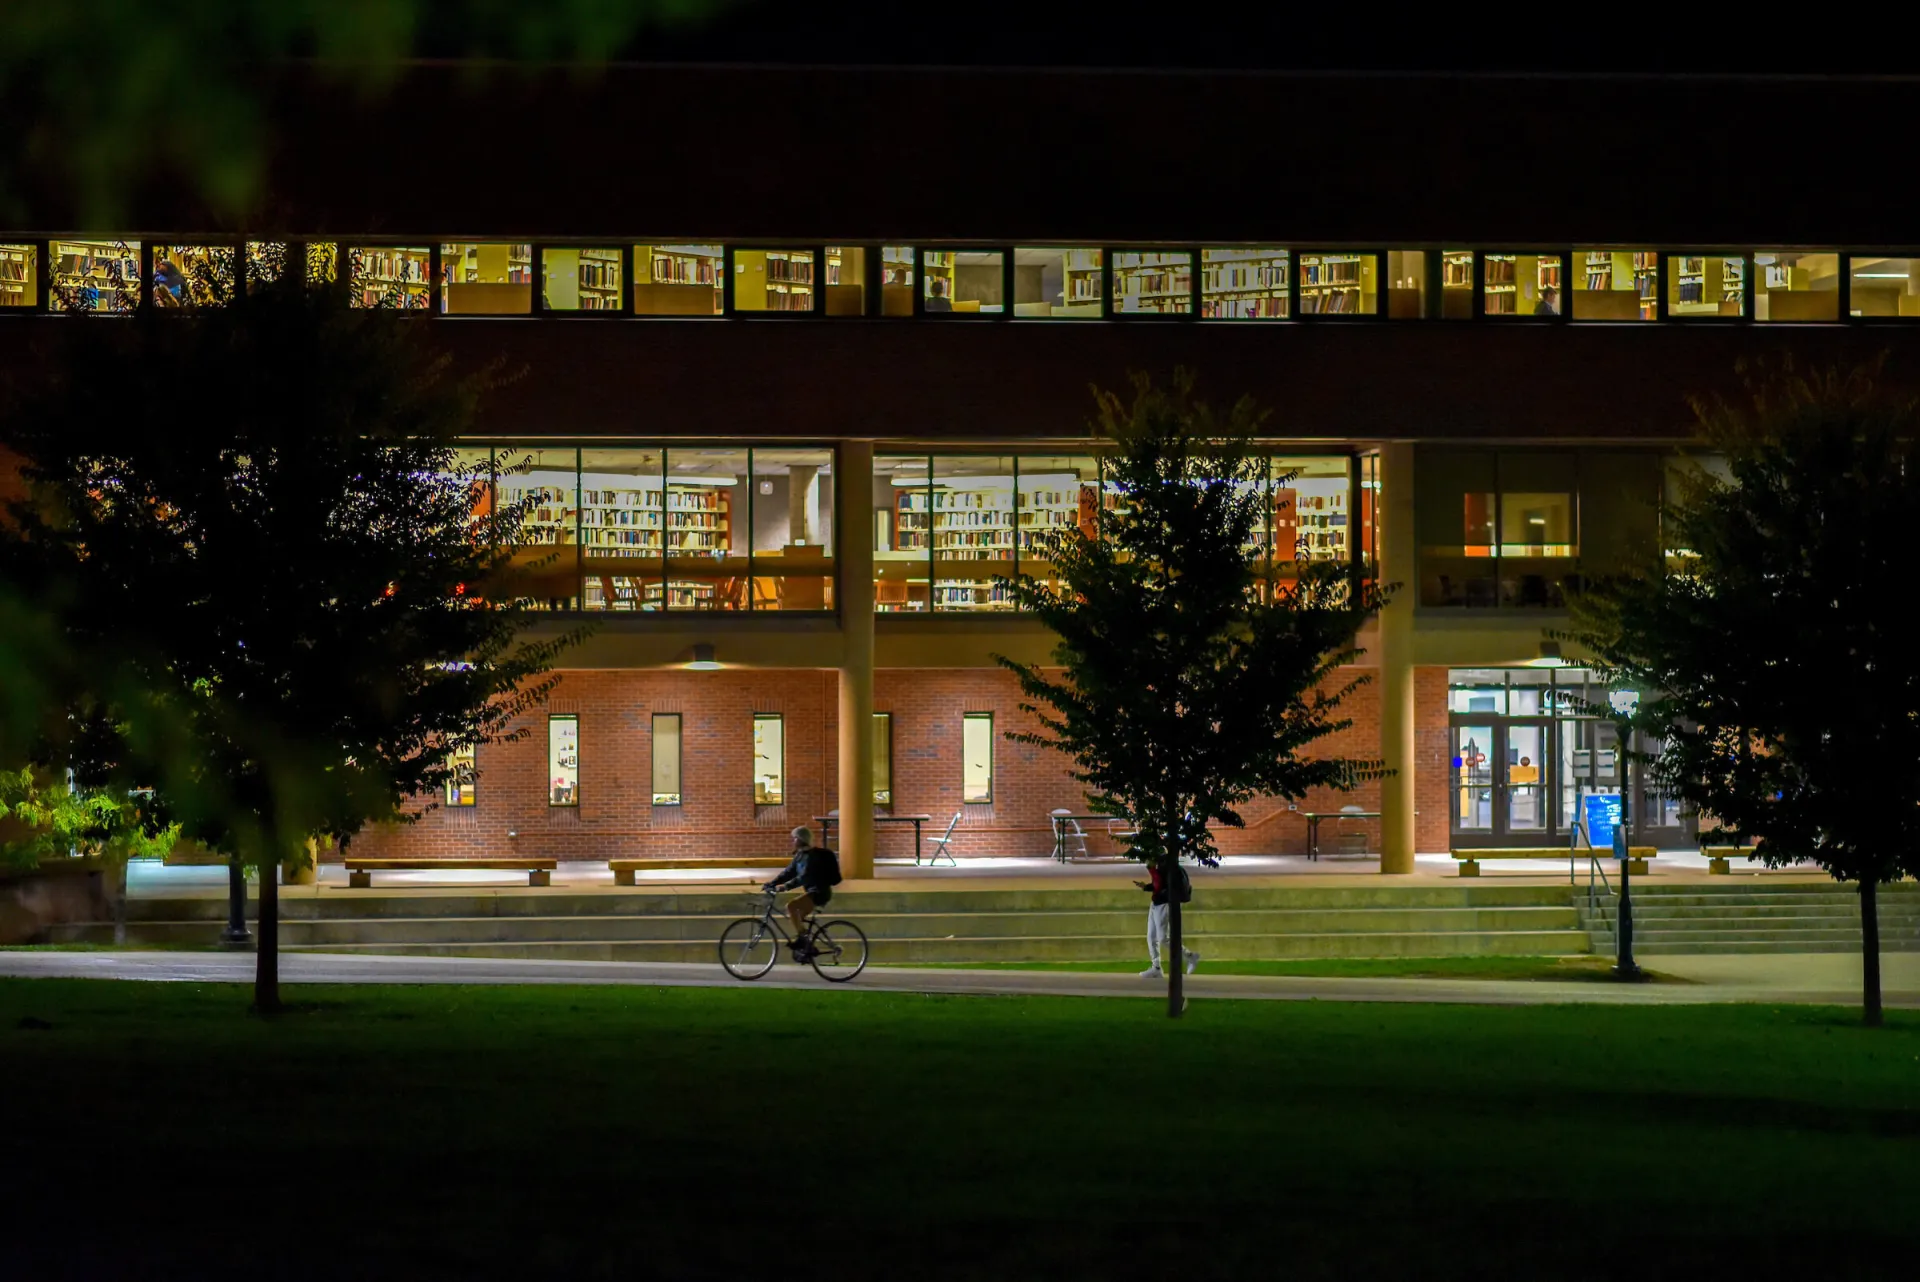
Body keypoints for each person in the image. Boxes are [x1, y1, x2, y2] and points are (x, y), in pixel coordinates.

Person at [764, 825, 840, 955]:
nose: (792, 841)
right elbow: (788, 872)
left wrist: (785, 887)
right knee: (796, 919)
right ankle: (808, 947)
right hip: (811, 891)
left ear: (801, 840)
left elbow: (803, 877)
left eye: (794, 838)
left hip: (819, 892)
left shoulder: (812, 857)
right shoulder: (800, 856)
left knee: (791, 906)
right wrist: (772, 883)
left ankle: (803, 942)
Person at [1133, 861, 1198, 979]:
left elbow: (1163, 886)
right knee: (1151, 937)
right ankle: (1156, 968)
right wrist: (1146, 887)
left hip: (1164, 904)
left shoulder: (1166, 867)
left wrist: (1152, 871)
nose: (1147, 862)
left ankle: (1189, 956)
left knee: (1162, 938)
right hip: (1155, 903)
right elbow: (1158, 885)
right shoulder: (1158, 867)